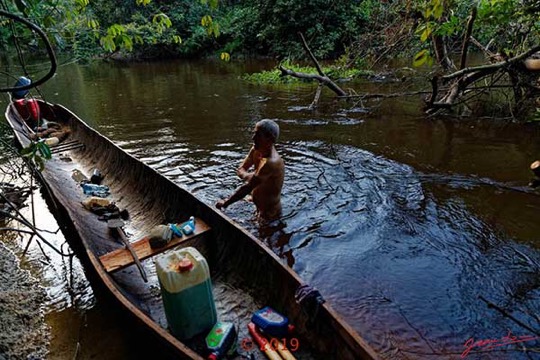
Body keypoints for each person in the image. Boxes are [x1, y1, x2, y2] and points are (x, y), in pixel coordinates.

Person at [216, 119, 284, 221]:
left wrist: (226, 203)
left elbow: (247, 187)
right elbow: (240, 169)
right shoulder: (256, 149)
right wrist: (251, 176)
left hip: (269, 212)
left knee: (266, 235)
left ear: (269, 139)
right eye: (254, 133)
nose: (253, 138)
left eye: (258, 135)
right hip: (256, 204)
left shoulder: (271, 163)